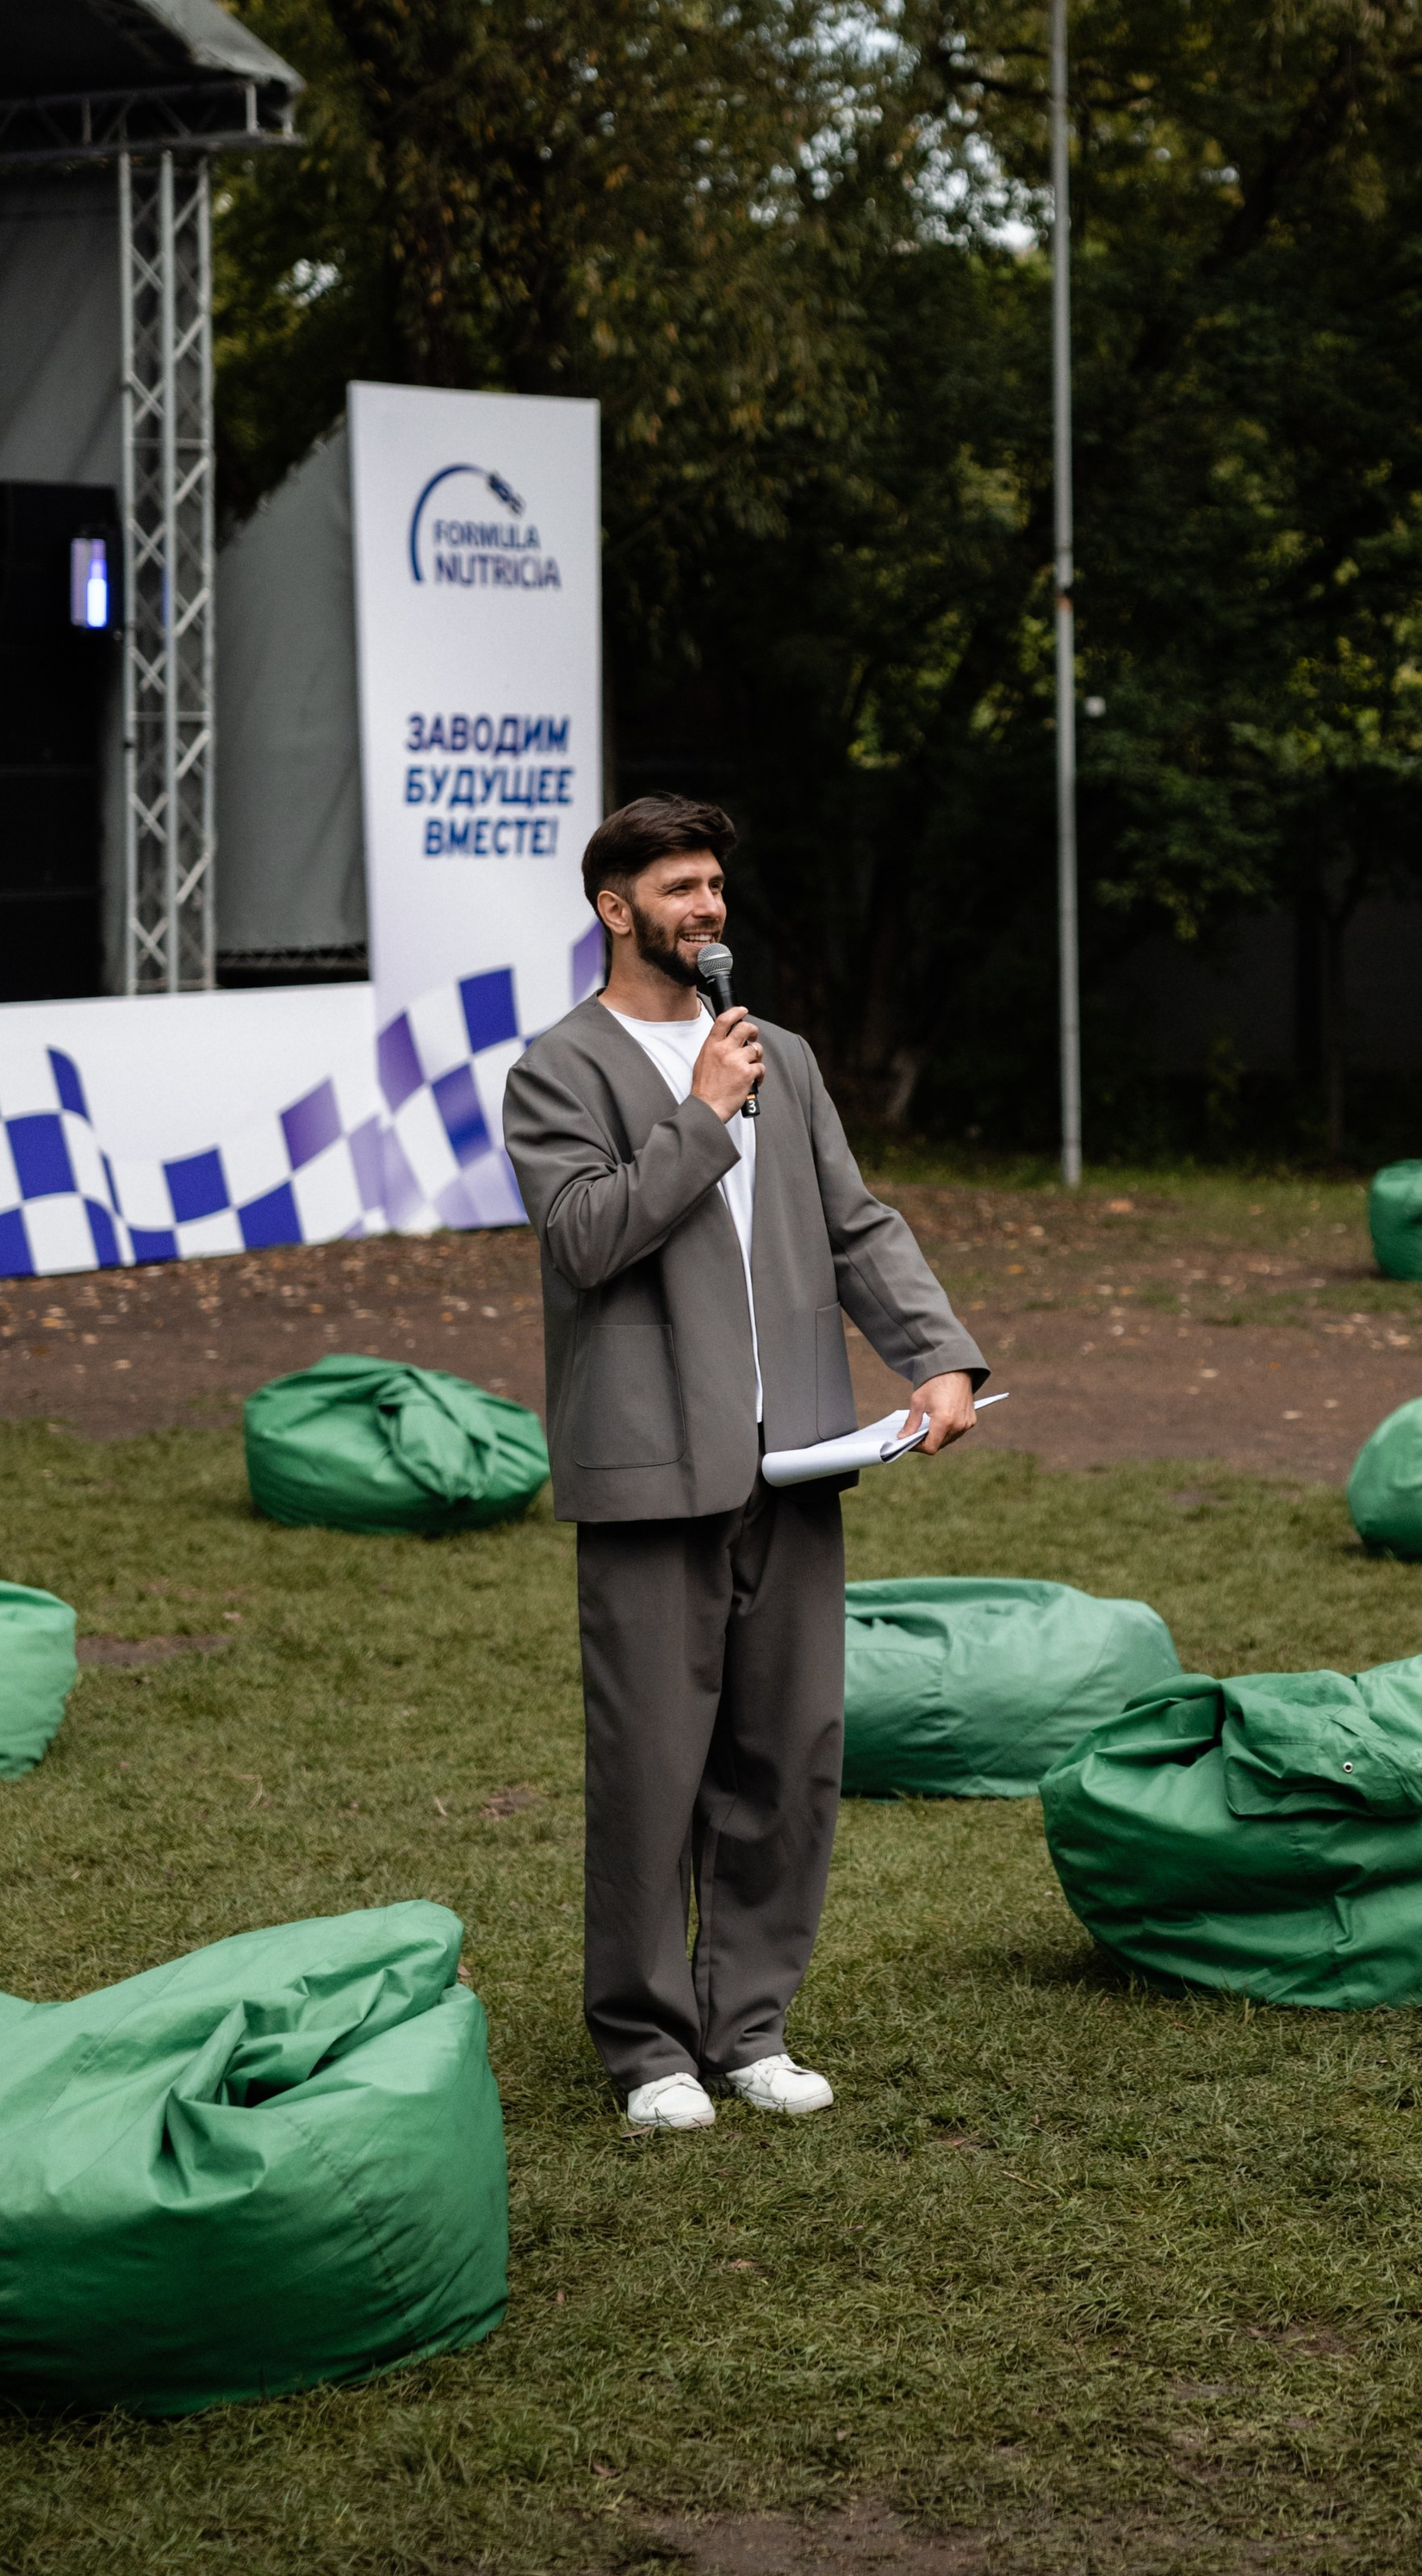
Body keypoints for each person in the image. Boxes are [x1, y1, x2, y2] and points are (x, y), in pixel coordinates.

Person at [502, 794, 985, 2132]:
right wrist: (703, 1115)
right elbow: (587, 1239)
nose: (709, 907)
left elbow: (855, 1224)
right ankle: (649, 2048)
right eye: (680, 887)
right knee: (653, 1763)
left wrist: (935, 1354)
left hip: (802, 1460)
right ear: (616, 910)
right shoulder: (561, 1070)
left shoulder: (789, 1057)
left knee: (790, 1756)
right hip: (653, 1469)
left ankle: (750, 2024)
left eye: (716, 884)